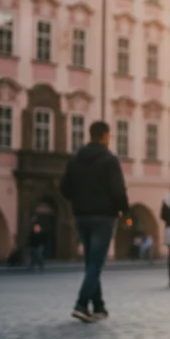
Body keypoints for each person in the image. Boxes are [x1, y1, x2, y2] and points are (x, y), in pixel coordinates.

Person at [60, 120, 129, 323]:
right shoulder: (109, 160)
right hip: (104, 217)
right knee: (96, 263)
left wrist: (80, 200)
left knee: (91, 262)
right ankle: (81, 305)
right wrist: (125, 211)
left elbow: (64, 188)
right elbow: (118, 190)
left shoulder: (75, 159)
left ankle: (98, 306)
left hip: (82, 216)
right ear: (105, 136)